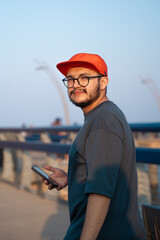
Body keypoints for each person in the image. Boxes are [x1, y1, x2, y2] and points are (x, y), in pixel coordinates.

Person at [42, 53, 147, 240]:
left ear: (104, 82)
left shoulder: (102, 120)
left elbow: (101, 190)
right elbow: (104, 173)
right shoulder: (104, 115)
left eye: (84, 77)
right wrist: (71, 178)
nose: (76, 85)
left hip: (106, 233)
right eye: (71, 79)